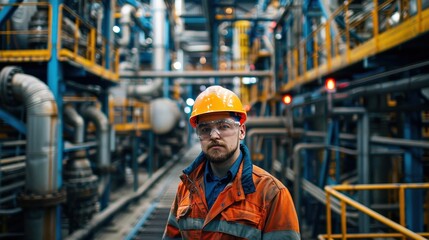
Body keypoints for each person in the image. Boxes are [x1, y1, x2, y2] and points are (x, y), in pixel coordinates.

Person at [163, 85, 300, 239]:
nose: (214, 135)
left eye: (224, 126)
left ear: (241, 131)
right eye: (205, 129)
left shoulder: (271, 193)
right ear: (199, 135)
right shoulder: (186, 187)